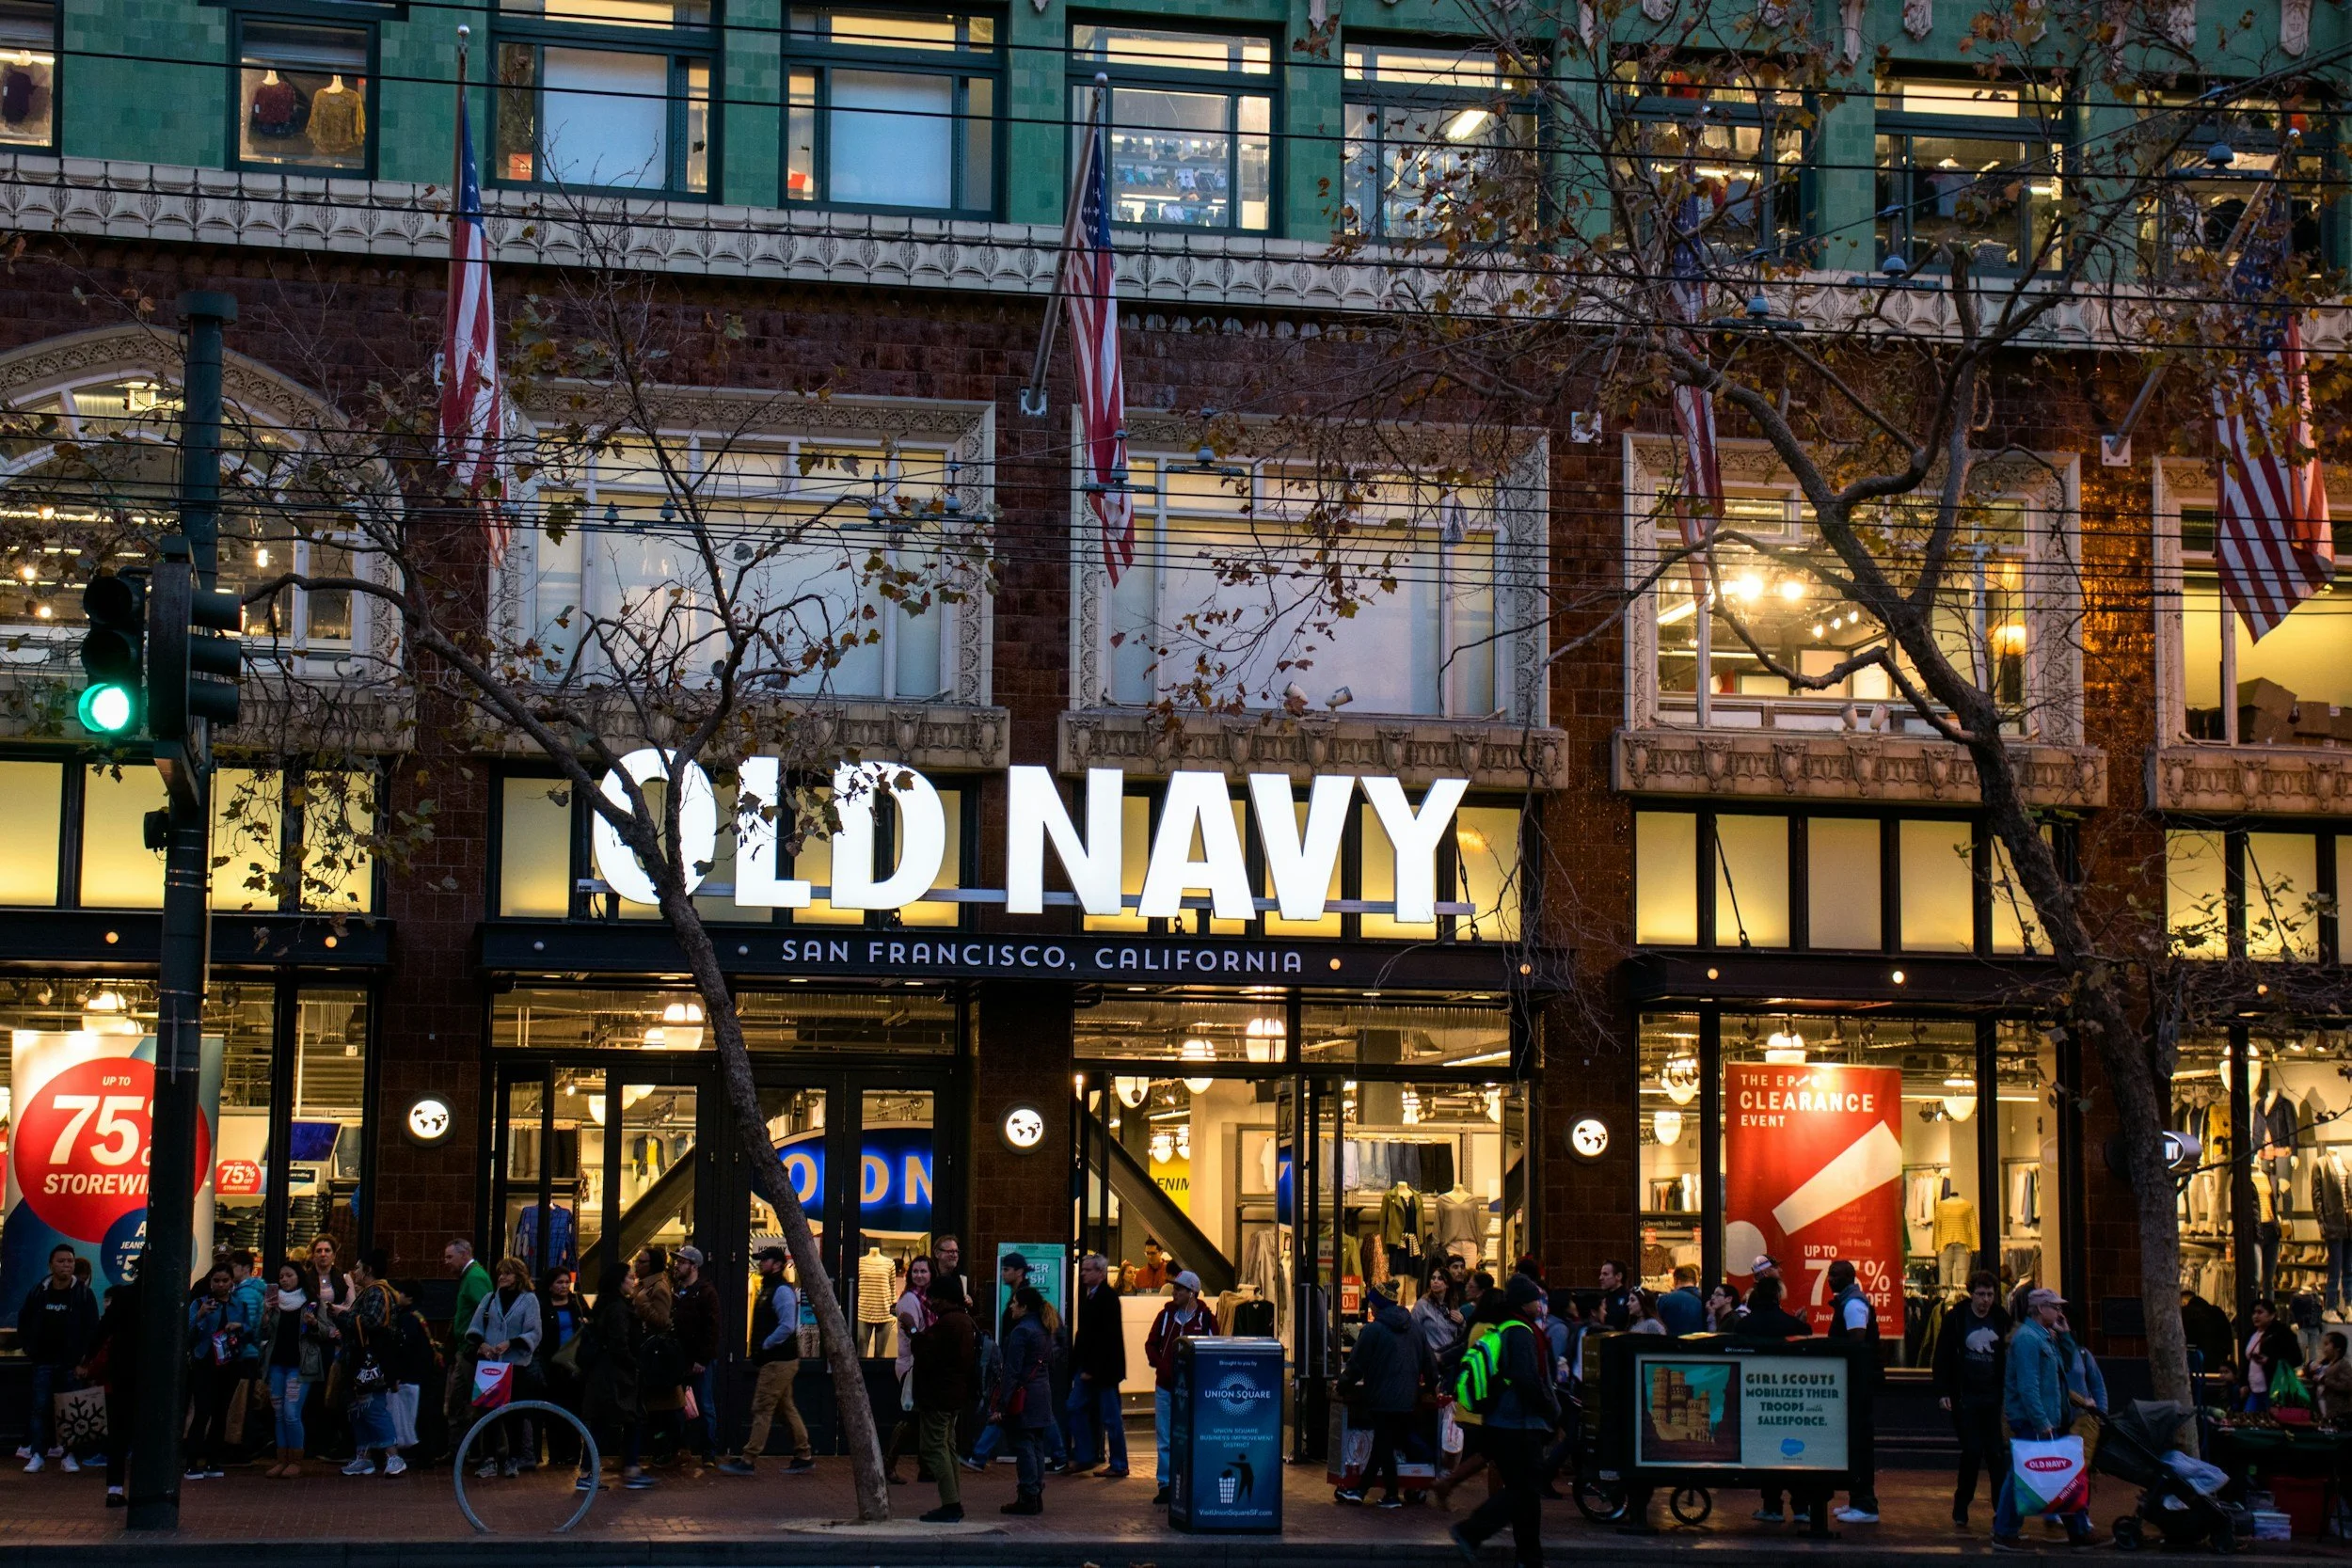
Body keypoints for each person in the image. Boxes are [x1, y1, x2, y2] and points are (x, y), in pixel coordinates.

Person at [1448, 1275, 1556, 1563]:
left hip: (1505, 1422)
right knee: (1523, 1491)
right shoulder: (1520, 1331)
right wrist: (1550, 1409)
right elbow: (1527, 1379)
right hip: (1518, 1424)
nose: (1540, 1305)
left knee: (1526, 1494)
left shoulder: (1507, 1327)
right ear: (1524, 1303)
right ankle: (1470, 1531)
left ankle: (1529, 1556)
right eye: (1536, 1300)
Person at [1994, 1288, 2094, 1550]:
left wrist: (2066, 1335)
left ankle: (2078, 1531)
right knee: (2025, 1474)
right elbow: (2028, 1386)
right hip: (2034, 1420)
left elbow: (2066, 1367)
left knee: (2061, 1474)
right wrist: (2041, 1422)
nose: (2060, 1312)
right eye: (2055, 1307)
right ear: (2040, 1309)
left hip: (2047, 1418)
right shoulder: (2028, 1339)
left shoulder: (2045, 1337)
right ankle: (2005, 1532)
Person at [1336, 1287, 1434, 1507]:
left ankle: (1366, 1491)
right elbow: (1429, 1363)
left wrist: (1342, 1385)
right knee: (1386, 1444)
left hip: (1382, 1398)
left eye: (1371, 1302)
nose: (1370, 1306)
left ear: (1377, 1305)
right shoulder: (1415, 1328)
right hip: (1407, 1398)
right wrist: (1428, 1387)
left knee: (1383, 1443)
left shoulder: (1373, 1330)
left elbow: (1356, 1364)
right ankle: (1388, 1494)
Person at [723, 1246, 815, 1475]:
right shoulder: (770, 1288)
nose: (760, 1263)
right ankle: (804, 1454)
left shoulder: (781, 1290)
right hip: (778, 1359)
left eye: (765, 1260)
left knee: (762, 1406)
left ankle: (748, 1459)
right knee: (785, 1408)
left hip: (777, 1360)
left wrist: (766, 1344)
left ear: (777, 1264)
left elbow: (787, 1325)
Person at [1932, 1269, 2011, 1530]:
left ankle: (2001, 1510)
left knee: (1996, 1454)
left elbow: (2008, 1352)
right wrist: (1943, 1391)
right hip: (1965, 1397)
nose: (1985, 1300)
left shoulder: (2000, 1318)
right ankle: (1961, 1505)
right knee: (1972, 1451)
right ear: (1971, 1294)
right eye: (1980, 1294)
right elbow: (1942, 1356)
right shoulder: (1956, 1318)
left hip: (1993, 1397)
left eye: (1989, 1294)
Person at [1736, 1277, 1813, 1524]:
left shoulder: (1744, 1325)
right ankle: (1801, 1507)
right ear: (1778, 1296)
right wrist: (1801, 1323)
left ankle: (1772, 1506)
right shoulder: (1792, 1325)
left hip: (1756, 1394)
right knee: (1795, 1453)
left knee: (1767, 1452)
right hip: (1790, 1396)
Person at [16, 1243, 97, 1473]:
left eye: (70, 1261)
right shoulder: (39, 1291)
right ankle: (37, 1454)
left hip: (71, 1362)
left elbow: (92, 1328)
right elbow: (24, 1319)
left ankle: (69, 1455)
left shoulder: (83, 1294)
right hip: (43, 1360)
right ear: (51, 1265)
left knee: (73, 1408)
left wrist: (85, 1360)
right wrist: (30, 1348)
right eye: (61, 1261)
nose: (66, 1265)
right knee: (40, 1408)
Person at [1143, 1269, 1217, 1504]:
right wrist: (1162, 1366)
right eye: (1174, 1288)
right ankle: (1166, 1484)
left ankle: (1191, 1481)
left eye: (1179, 1289)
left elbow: (1213, 1350)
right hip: (1166, 1386)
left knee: (1192, 1434)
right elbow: (1151, 1344)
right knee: (1165, 1436)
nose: (1173, 1292)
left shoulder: (1206, 1319)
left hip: (1193, 1389)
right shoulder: (1165, 1316)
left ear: (1192, 1292)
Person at [465, 1255, 543, 1478]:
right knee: (488, 1414)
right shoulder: (490, 1298)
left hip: (516, 1365)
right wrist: (481, 1344)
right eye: (500, 1273)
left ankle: (512, 1459)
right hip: (491, 1366)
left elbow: (534, 1332)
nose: (501, 1277)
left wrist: (511, 1343)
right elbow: (475, 1326)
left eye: (507, 1273)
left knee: (514, 1415)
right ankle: (488, 1459)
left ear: (518, 1276)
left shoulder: (529, 1300)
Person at [914, 1273, 977, 1522]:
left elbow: (926, 1353)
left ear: (945, 1298)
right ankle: (953, 1500)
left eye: (935, 1299)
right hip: (954, 1395)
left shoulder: (949, 1324)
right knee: (947, 1446)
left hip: (939, 1396)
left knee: (934, 1447)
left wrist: (912, 1329)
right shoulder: (964, 1321)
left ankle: (951, 1503)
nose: (931, 1303)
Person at [579, 1262, 647, 1490]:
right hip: (616, 1375)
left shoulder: (604, 1305)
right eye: (629, 1277)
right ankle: (630, 1469)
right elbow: (619, 1343)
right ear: (619, 1281)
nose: (633, 1281)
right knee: (631, 1419)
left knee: (601, 1423)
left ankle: (588, 1472)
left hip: (603, 1372)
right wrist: (634, 1364)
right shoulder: (618, 1308)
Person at [1822, 1259, 1880, 1525]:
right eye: (1829, 1274)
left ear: (1849, 1276)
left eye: (1835, 1274)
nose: (1830, 1279)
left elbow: (1856, 1344)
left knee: (1859, 1444)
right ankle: (1857, 1500)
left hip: (1858, 1384)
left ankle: (1865, 1504)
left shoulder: (1854, 1304)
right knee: (1854, 1443)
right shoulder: (1848, 1302)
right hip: (1855, 1383)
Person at [342, 1249, 408, 1477]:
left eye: (358, 1267)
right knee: (358, 1409)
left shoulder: (377, 1292)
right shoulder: (374, 1292)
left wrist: (343, 1315)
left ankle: (394, 1456)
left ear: (368, 1270)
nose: (355, 1272)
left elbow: (372, 1321)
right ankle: (364, 1457)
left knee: (373, 1408)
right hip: (363, 1360)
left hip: (371, 1361)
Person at [261, 1261, 327, 1478]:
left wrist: (314, 1323)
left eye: (289, 1275)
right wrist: (265, 1314)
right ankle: (282, 1459)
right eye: (281, 1276)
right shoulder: (273, 1302)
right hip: (277, 1364)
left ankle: (296, 1460)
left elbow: (327, 1331)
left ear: (299, 1277)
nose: (284, 1280)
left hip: (299, 1365)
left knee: (291, 1413)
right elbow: (263, 1332)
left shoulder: (311, 1302)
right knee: (279, 1413)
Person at [80, 1276, 141, 1505]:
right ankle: (145, 1489)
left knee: (118, 1433)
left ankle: (115, 1489)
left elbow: (103, 1329)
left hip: (122, 1373)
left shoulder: (125, 1296)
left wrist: (87, 1359)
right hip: (149, 1374)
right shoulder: (164, 1294)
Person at [1068, 1252, 1130, 1479]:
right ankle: (1086, 1455)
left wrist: (1090, 1369)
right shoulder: (1094, 1297)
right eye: (1083, 1270)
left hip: (1103, 1371)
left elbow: (1106, 1338)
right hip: (1094, 1368)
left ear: (1101, 1273)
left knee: (1110, 1417)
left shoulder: (1106, 1298)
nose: (1083, 1274)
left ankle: (1117, 1463)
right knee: (1075, 1407)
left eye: (1088, 1270)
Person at [184, 1263, 246, 1480]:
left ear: (231, 1282)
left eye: (225, 1281)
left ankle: (213, 1460)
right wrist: (200, 1315)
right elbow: (187, 1332)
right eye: (216, 1281)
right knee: (202, 1412)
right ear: (210, 1282)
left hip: (229, 1363)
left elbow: (251, 1331)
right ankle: (191, 1462)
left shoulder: (239, 1304)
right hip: (205, 1362)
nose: (220, 1285)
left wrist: (240, 1327)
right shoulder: (199, 1303)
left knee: (221, 1413)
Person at [1000, 1283, 1056, 1515]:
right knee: (1036, 1445)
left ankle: (1028, 1494)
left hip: (1025, 1395)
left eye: (1014, 1303)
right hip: (1042, 1392)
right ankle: (1035, 1493)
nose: (1011, 1307)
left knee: (1024, 1445)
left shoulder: (1021, 1331)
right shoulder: (1044, 1328)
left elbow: (1012, 1369)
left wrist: (1003, 1402)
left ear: (1024, 1307)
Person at [631, 1247, 687, 1476]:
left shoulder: (658, 1288)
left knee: (663, 1409)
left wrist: (642, 1304)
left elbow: (663, 1321)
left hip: (658, 1358)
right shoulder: (644, 1286)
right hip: (648, 1355)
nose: (637, 1265)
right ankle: (661, 1450)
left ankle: (669, 1451)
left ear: (652, 1264)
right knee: (654, 1409)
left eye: (642, 1261)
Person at [884, 1255, 937, 1484]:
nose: (919, 1275)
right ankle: (889, 1464)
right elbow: (914, 1334)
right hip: (911, 1364)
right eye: (915, 1271)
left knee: (923, 1415)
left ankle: (925, 1467)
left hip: (925, 1362)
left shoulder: (930, 1299)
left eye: (923, 1271)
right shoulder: (909, 1299)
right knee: (911, 1415)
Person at [670, 1245, 722, 1467]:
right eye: (677, 1261)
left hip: (699, 1360)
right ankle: (682, 1449)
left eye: (682, 1262)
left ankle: (708, 1452)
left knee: (705, 1404)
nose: (677, 1266)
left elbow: (712, 1329)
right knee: (677, 1405)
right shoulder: (677, 1292)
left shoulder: (706, 1292)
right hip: (680, 1358)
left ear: (694, 1266)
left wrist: (703, 1359)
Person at [538, 1268, 588, 1466]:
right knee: (554, 1411)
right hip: (552, 1365)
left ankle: (573, 1453)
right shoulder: (543, 1306)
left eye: (567, 1282)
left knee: (574, 1409)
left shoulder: (577, 1303)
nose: (564, 1286)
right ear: (550, 1285)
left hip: (574, 1365)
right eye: (560, 1282)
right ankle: (556, 1454)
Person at [443, 1240, 493, 1434]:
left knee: (472, 1403)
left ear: (464, 1255)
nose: (446, 1262)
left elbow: (486, 1311)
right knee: (459, 1402)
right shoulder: (470, 1276)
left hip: (472, 1351)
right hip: (466, 1349)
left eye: (450, 1257)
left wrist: (479, 1343)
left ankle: (473, 1446)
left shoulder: (474, 1277)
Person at [2242, 1297, 2298, 1413]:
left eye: (2260, 1312)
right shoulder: (2251, 1334)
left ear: (2272, 1315)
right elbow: (2245, 1362)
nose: (2255, 1316)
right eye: (2254, 1313)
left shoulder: (2282, 1333)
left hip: (2274, 1388)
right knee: (2249, 1417)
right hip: (2254, 1389)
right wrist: (2243, 1383)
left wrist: (2269, 1361)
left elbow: (2296, 1358)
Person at [1413, 1269, 1464, 1361]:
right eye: (1433, 1278)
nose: (1435, 1281)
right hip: (1431, 1356)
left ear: (1447, 1284)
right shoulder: (1422, 1305)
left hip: (1448, 1357)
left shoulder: (1452, 1305)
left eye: (1440, 1279)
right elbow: (1413, 1331)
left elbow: (1461, 1336)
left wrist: (1462, 1322)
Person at [2312, 1331, 2352, 1427]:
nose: (2324, 1348)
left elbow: (2347, 1385)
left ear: (2337, 1348)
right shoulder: (2325, 1364)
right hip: (2325, 1411)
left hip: (2339, 1412)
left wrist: (2324, 1380)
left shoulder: (2343, 1365)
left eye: (2326, 1344)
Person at [1655, 1266, 1705, 1336]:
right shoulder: (1706, 1299)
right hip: (1699, 1340)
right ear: (1695, 1281)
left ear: (1675, 1280)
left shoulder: (1664, 1299)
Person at [1595, 1260, 1631, 1330]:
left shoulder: (1629, 1298)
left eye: (1605, 1274)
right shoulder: (1603, 1298)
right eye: (1601, 1274)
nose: (1600, 1278)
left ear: (1619, 1276)